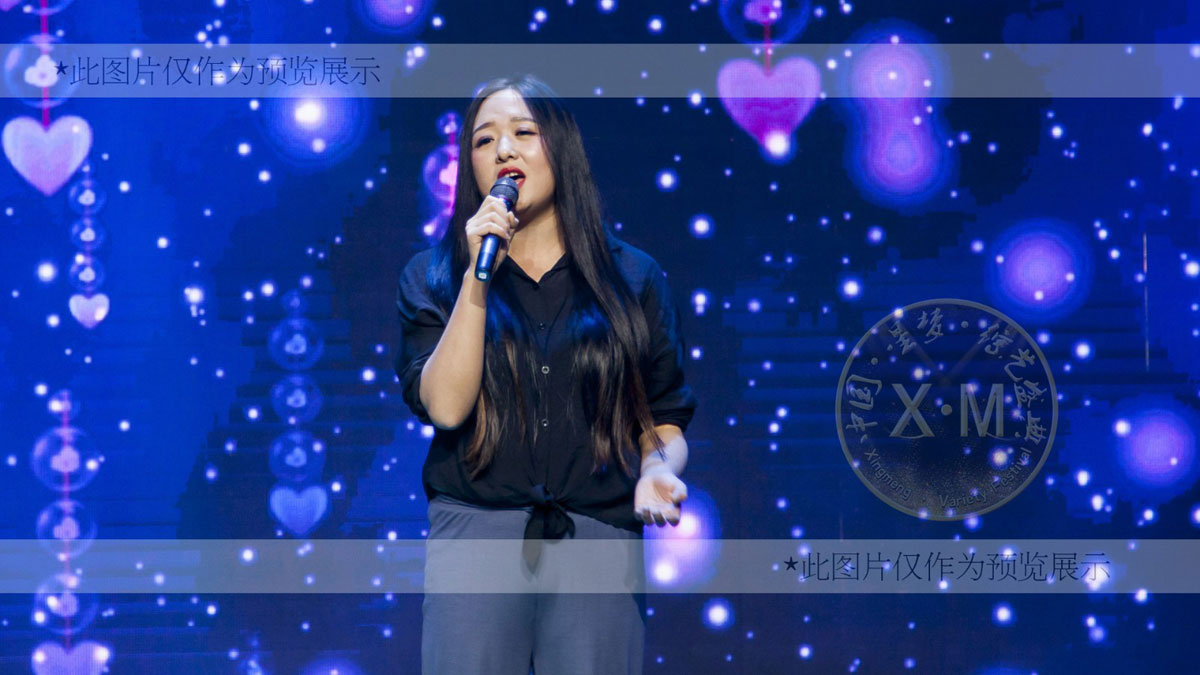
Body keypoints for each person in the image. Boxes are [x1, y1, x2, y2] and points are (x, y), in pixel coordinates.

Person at [393, 74, 698, 675]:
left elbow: (662, 415)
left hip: (598, 534)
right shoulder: (433, 276)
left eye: (523, 133)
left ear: (561, 147)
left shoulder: (633, 277)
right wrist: (476, 277)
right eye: (484, 140)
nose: (503, 150)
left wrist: (658, 470)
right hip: (475, 533)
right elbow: (446, 408)